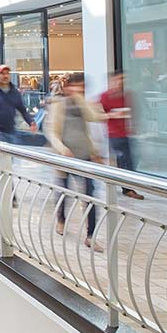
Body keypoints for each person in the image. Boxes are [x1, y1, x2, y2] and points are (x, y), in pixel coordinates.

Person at [43, 73, 106, 251]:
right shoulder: (58, 105)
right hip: (66, 158)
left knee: (90, 195)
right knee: (64, 191)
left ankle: (91, 235)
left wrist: (80, 99)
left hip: (84, 157)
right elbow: (52, 131)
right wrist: (62, 149)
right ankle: (61, 220)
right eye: (76, 86)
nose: (79, 89)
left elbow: (95, 117)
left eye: (82, 87)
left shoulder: (84, 104)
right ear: (67, 86)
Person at [99, 70, 144, 200]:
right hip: (113, 134)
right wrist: (112, 115)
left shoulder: (127, 95)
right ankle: (127, 188)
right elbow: (97, 115)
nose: (120, 83)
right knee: (125, 160)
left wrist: (134, 125)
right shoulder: (105, 96)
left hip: (126, 132)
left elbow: (134, 111)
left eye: (122, 80)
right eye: (118, 80)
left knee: (127, 160)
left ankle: (123, 184)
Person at [0, 65, 36, 143]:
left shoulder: (15, 93)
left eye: (7, 73)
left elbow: (22, 110)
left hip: (10, 131)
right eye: (2, 73)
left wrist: (31, 122)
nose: (5, 76)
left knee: (13, 153)